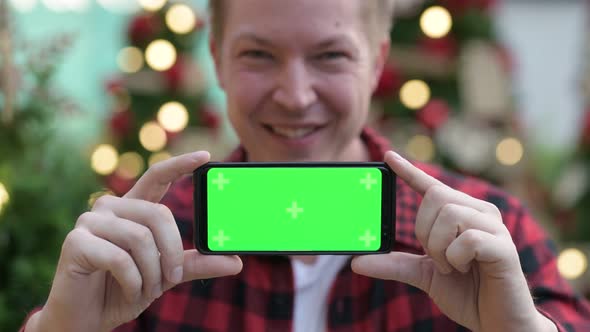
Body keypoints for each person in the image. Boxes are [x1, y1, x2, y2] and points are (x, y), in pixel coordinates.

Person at [21, 0, 590, 331]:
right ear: (216, 60)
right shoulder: (142, 240)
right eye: (258, 54)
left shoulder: (494, 233)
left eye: (330, 55)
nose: (295, 95)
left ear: (377, 64)